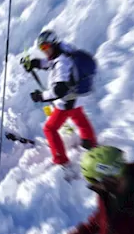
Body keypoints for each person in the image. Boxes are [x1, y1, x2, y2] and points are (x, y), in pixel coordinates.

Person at [20, 29, 98, 166]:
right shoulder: (64, 51)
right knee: (78, 116)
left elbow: (59, 91)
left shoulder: (62, 63)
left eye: (45, 46)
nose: (44, 50)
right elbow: (51, 62)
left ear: (53, 43)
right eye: (41, 48)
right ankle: (89, 141)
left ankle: (60, 159)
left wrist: (41, 96)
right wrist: (34, 63)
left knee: (49, 129)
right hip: (76, 97)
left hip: (67, 100)